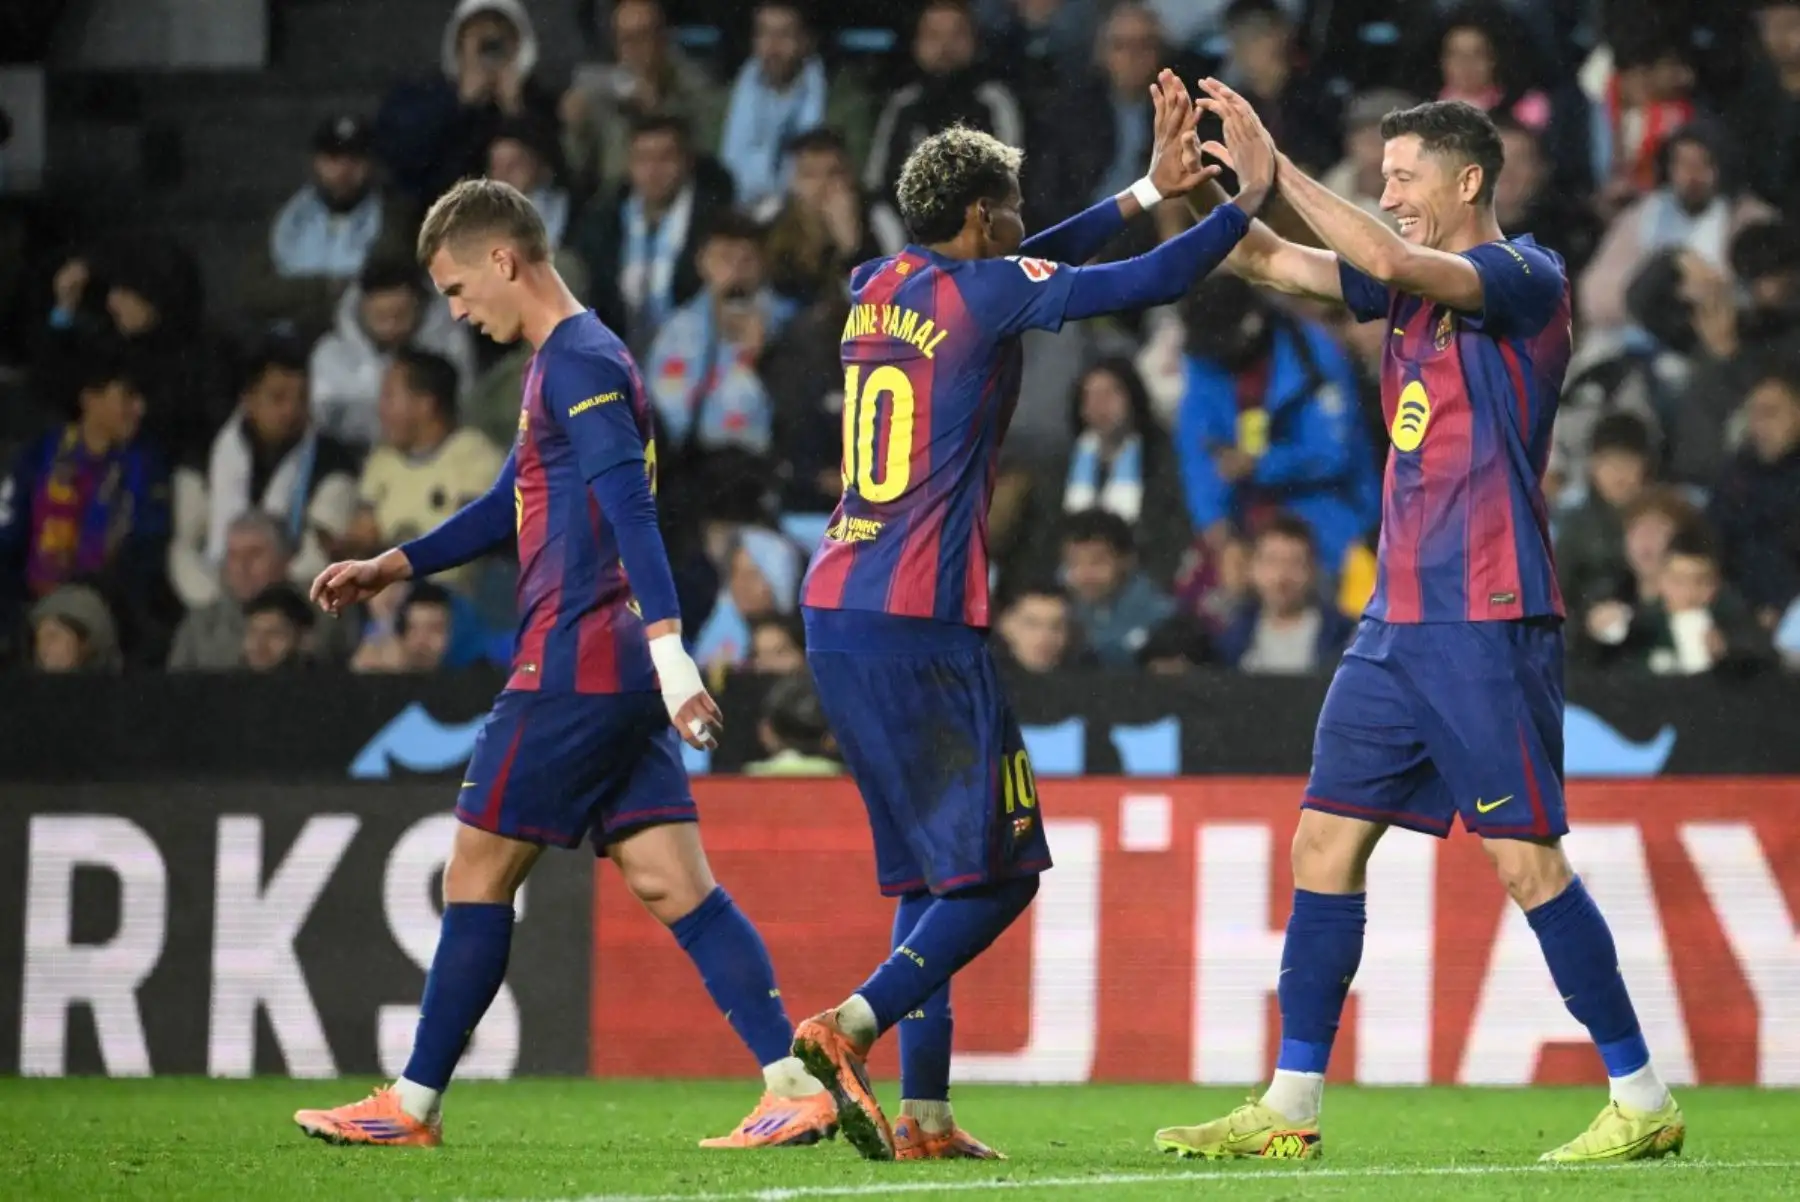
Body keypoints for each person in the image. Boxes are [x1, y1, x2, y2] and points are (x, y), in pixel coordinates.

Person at [1154, 80, 1683, 1163]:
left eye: (1404, 176)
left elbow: (1386, 257)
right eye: (1382, 176)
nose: (1387, 193)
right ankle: (1291, 1102)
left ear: (1469, 180)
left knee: (1527, 863)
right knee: (1322, 840)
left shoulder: (1522, 276)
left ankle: (1641, 1092)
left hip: (1487, 612)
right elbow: (1264, 260)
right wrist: (1194, 189)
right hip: (1396, 617)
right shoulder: (1401, 290)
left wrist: (1278, 162)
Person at [291, 179, 835, 1151]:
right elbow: (517, 496)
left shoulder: (580, 361)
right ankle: (791, 1083)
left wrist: (673, 655)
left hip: (579, 658)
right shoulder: (572, 362)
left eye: (458, 288)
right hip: (614, 661)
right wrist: (396, 562)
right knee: (676, 882)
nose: (456, 311)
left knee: (476, 867)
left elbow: (633, 511)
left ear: (504, 259)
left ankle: (411, 1104)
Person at [793, 68, 1269, 1161]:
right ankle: (853, 1023)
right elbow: (1146, 284)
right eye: (1004, 210)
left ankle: (925, 1114)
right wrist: (1244, 202)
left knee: (928, 870)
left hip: (838, 605)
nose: (1016, 226)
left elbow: (1022, 257)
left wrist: (1146, 187)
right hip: (921, 616)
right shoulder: (990, 290)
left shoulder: (879, 282)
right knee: (1002, 870)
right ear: (977, 219)